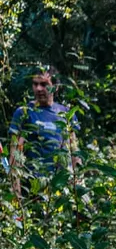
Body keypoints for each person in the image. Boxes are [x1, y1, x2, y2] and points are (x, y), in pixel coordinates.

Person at [8, 66, 77, 199]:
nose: (39, 89)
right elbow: (14, 156)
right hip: (33, 190)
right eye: (35, 84)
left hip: (60, 191)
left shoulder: (66, 113)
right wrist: (16, 196)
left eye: (44, 84)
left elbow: (74, 150)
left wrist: (77, 183)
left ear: (55, 87)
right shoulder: (24, 112)